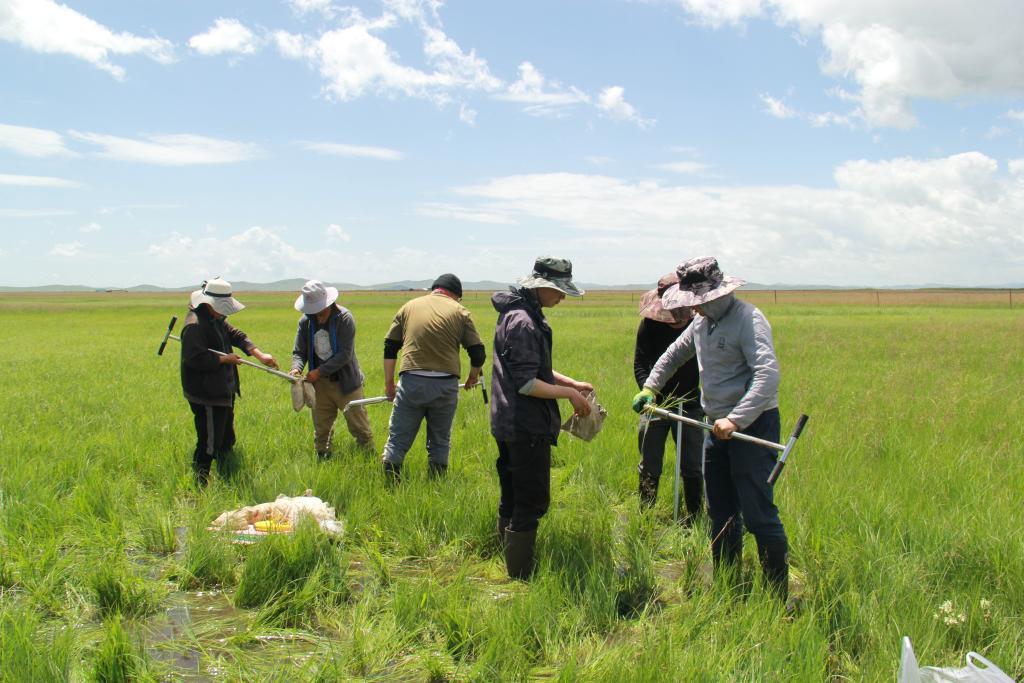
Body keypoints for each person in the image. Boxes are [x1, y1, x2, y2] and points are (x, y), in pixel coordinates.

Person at [632, 257, 789, 601]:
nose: (693, 308)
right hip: (714, 428)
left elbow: (767, 375)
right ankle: (729, 589)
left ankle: (777, 597)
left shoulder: (749, 320)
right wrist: (650, 388)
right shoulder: (702, 325)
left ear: (715, 294)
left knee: (758, 513)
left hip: (752, 427)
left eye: (697, 300)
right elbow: (674, 355)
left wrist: (736, 419)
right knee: (720, 512)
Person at [490, 257, 593, 580]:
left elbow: (534, 369)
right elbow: (526, 383)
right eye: (559, 291)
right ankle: (520, 575)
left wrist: (570, 383)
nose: (562, 298)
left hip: (510, 422)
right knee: (530, 500)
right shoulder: (523, 322)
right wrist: (570, 396)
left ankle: (507, 559)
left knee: (512, 492)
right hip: (524, 425)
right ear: (543, 287)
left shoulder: (520, 314)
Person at [380, 274, 485, 480]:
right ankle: (436, 485)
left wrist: (389, 384)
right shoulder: (460, 311)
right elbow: (478, 353)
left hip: (411, 382)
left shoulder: (409, 307)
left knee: (398, 439)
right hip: (446, 385)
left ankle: (390, 484)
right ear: (455, 295)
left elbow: (390, 347)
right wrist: (472, 377)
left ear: (435, 289)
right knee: (440, 440)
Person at [179, 277, 277, 485]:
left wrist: (259, 354)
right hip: (206, 394)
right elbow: (195, 358)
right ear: (207, 303)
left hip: (223, 388)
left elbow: (236, 335)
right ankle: (201, 479)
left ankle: (226, 469)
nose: (224, 313)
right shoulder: (194, 325)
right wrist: (225, 359)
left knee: (225, 433)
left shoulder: (216, 319)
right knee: (209, 439)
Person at [634, 272, 704, 522]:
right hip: (655, 405)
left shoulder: (700, 325)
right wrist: (647, 392)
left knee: (693, 466)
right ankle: (646, 516)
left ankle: (694, 519)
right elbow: (641, 363)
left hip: (691, 405)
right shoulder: (650, 325)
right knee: (649, 462)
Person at [289, 280, 375, 459]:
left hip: (346, 383)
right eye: (313, 312)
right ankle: (323, 457)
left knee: (359, 427)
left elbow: (345, 354)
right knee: (322, 429)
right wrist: (296, 369)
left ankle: (368, 459)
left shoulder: (344, 318)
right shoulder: (305, 321)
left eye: (320, 312)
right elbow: (299, 352)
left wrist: (318, 372)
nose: (317, 317)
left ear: (329, 303)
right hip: (319, 385)